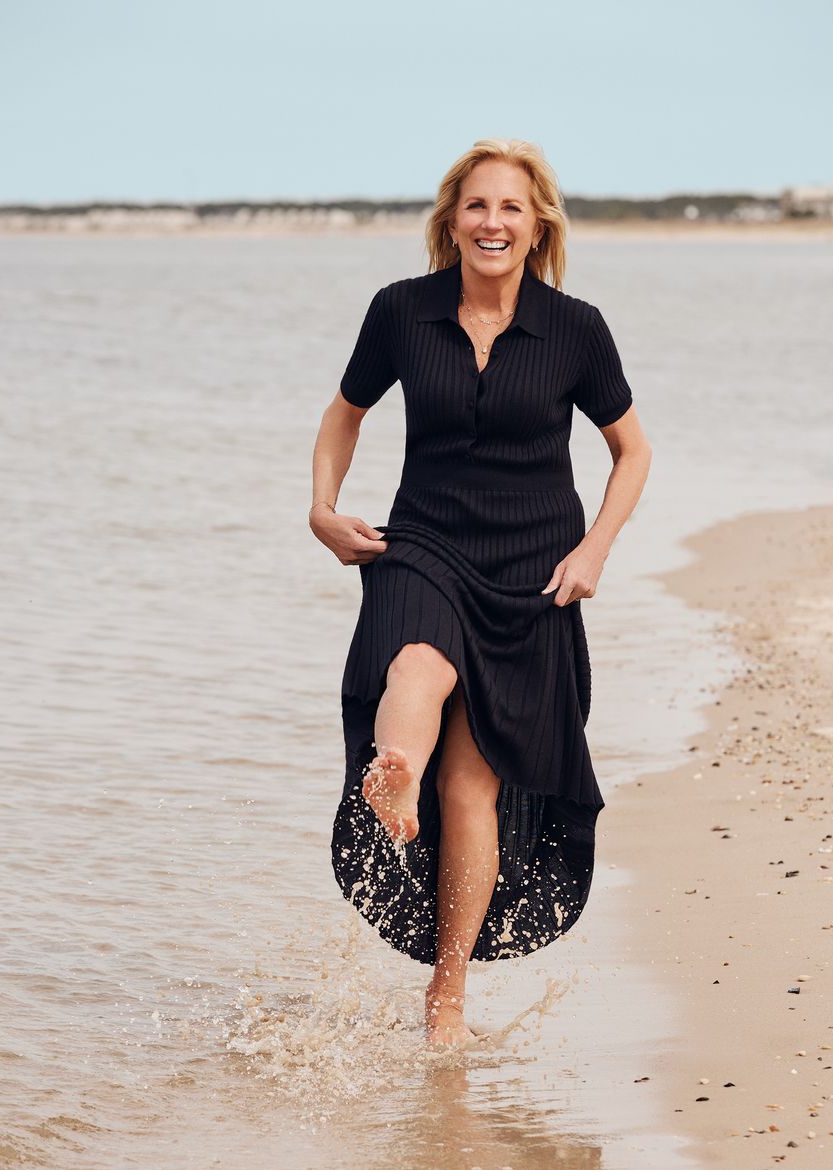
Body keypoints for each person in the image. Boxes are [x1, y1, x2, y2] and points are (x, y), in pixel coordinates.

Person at [309, 138, 652, 1049]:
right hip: (423, 538)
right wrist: (322, 508)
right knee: (414, 661)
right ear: (450, 221)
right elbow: (345, 415)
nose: (492, 222)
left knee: (475, 786)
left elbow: (633, 450)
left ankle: (445, 998)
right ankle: (394, 776)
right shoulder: (402, 312)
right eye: (476, 207)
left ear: (537, 223)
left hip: (535, 571)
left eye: (509, 207)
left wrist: (595, 550)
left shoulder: (574, 328)